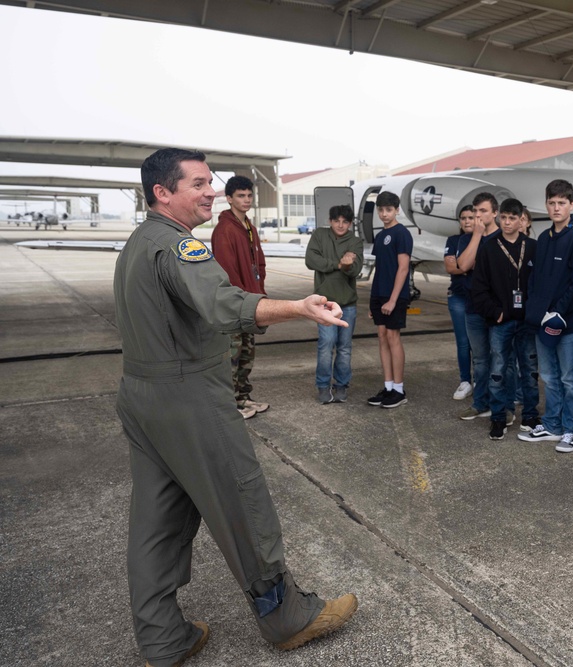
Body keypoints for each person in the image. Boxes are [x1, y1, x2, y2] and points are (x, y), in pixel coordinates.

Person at [116, 148, 357, 666]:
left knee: (157, 519)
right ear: (163, 192)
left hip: (142, 398)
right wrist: (299, 306)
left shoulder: (138, 243)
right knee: (243, 500)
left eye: (211, 182)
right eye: (198, 184)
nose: (211, 191)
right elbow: (225, 304)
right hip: (189, 397)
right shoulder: (178, 247)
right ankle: (286, 617)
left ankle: (163, 638)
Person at [518, 179, 573, 453]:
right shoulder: (544, 239)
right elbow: (535, 279)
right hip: (541, 322)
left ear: (571, 204)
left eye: (562, 203)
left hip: (566, 323)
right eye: (552, 202)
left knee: (570, 378)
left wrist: (557, 312)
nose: (556, 207)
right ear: (546, 205)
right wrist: (536, 312)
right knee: (548, 376)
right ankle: (551, 425)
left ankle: (571, 429)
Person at [471, 197, 540, 439]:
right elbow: (478, 287)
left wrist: (534, 312)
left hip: (527, 321)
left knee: (530, 370)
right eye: (505, 218)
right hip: (501, 322)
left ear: (522, 219)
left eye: (513, 218)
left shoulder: (532, 246)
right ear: (499, 217)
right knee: (498, 370)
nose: (508, 222)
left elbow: (540, 284)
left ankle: (531, 415)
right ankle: (498, 417)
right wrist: (495, 311)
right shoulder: (489, 247)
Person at [210, 175, 268, 419]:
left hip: (252, 302)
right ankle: (230, 404)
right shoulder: (224, 230)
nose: (246, 200)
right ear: (229, 198)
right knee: (232, 356)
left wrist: (259, 293)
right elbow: (227, 271)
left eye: (249, 195)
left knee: (247, 353)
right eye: (241, 196)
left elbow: (260, 263)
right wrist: (241, 299)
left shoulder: (249, 228)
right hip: (236, 304)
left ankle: (244, 397)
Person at [456, 193, 507, 421]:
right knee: (480, 359)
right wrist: (476, 236)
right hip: (473, 309)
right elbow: (464, 264)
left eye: (483, 211)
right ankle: (480, 403)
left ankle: (502, 407)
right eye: (475, 212)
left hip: (497, 310)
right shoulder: (468, 238)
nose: (478, 216)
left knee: (501, 359)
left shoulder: (504, 237)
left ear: (495, 213)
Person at [306, 204, 364, 404]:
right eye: (337, 221)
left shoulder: (355, 241)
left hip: (348, 304)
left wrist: (347, 266)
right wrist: (339, 264)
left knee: (344, 347)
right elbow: (311, 260)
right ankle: (323, 385)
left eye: (345, 222)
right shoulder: (319, 235)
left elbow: (355, 270)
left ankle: (341, 384)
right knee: (326, 344)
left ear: (350, 223)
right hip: (324, 303)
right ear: (330, 221)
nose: (340, 225)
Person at [366, 191, 412, 409]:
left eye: (389, 210)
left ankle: (399, 389)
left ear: (397, 210)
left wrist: (393, 300)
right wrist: (372, 300)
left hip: (396, 295)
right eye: (381, 210)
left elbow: (403, 269)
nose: (384, 214)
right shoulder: (380, 235)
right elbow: (380, 268)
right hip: (379, 293)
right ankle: (388, 386)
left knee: (393, 337)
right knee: (382, 336)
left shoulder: (402, 233)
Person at [444, 205, 476, 400]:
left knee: (480, 343)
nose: (466, 221)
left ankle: (480, 380)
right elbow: (450, 266)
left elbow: (471, 266)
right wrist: (466, 267)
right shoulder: (453, 240)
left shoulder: (484, 239)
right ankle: (465, 381)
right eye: (463, 218)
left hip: (479, 299)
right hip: (458, 297)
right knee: (463, 342)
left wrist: (462, 265)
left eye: (470, 217)